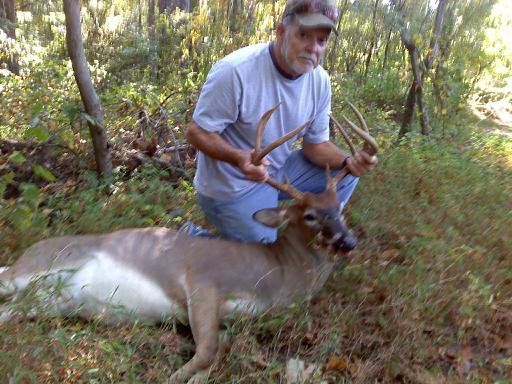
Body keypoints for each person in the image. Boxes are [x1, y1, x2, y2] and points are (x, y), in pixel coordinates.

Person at [186, 0, 377, 244]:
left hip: (276, 172)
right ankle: (196, 240)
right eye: (304, 35)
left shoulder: (319, 81)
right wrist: (238, 157)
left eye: (321, 41)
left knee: (348, 173)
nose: (313, 48)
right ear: (281, 32)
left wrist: (348, 161)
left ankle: (320, 224)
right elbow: (196, 133)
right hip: (233, 186)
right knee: (263, 268)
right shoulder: (236, 71)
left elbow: (315, 146)